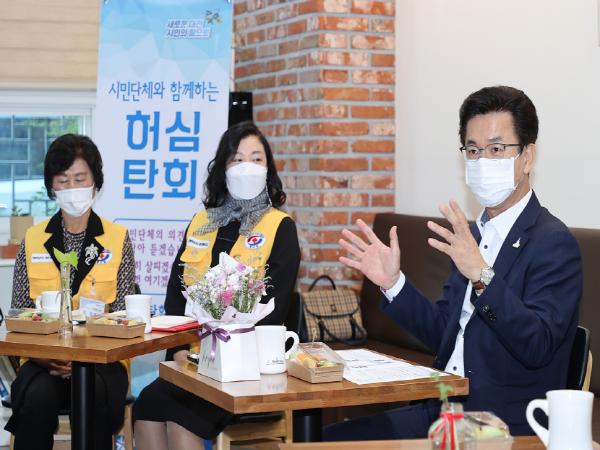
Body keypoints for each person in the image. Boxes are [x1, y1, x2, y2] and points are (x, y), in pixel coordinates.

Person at [330, 86, 582, 439]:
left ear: (527, 156)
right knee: (326, 439)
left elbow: (537, 346)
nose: (482, 161)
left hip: (498, 424)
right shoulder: (473, 235)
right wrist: (393, 283)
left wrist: (481, 276)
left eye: (496, 149)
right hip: (443, 407)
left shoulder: (553, 242)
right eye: (473, 150)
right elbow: (444, 332)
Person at [133, 121, 301, 450]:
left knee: (181, 418)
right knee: (147, 407)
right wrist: (179, 350)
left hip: (243, 367)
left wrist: (222, 357)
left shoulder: (280, 227)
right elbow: (175, 293)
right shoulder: (202, 222)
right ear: (223, 168)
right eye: (238, 159)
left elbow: (274, 310)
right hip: (190, 360)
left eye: (257, 159)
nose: (247, 167)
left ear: (268, 169)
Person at [5, 134, 136, 449]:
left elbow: (124, 317)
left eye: (80, 178)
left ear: (95, 183)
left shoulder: (117, 238)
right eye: (63, 181)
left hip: (102, 364)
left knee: (95, 397)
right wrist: (47, 359)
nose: (72, 188)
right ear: (52, 187)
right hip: (44, 362)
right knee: (36, 398)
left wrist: (83, 356)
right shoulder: (34, 239)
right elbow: (19, 314)